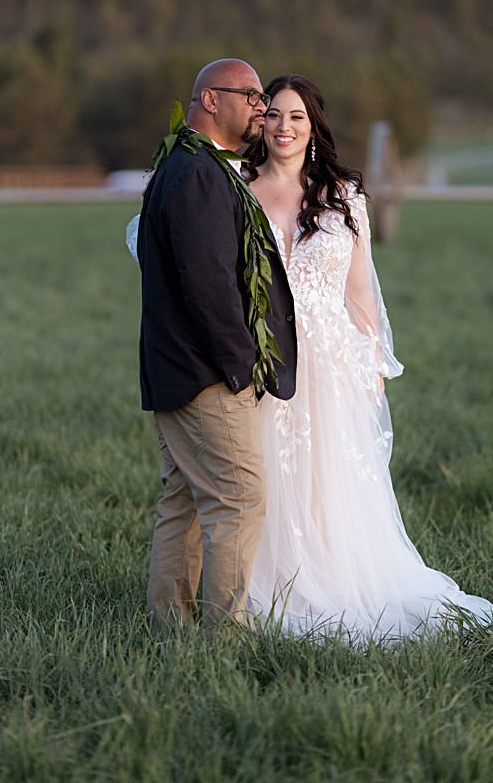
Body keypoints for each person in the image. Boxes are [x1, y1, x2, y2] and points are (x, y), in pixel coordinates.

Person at [242, 73, 493, 639]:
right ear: (260, 123)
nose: (283, 126)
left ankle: (336, 576)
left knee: (329, 478)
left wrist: (373, 364)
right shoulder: (239, 190)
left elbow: (361, 291)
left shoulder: (343, 197)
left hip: (330, 358)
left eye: (295, 116)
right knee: (272, 474)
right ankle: (273, 581)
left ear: (313, 126)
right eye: (273, 114)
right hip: (266, 356)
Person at [138, 58, 298, 635]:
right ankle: (223, 639)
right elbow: (208, 285)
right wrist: (242, 367)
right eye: (251, 96)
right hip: (205, 373)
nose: (262, 107)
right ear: (210, 99)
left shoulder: (191, 168)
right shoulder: (198, 175)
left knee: (182, 503)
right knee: (238, 500)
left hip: (176, 369)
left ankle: (169, 632)